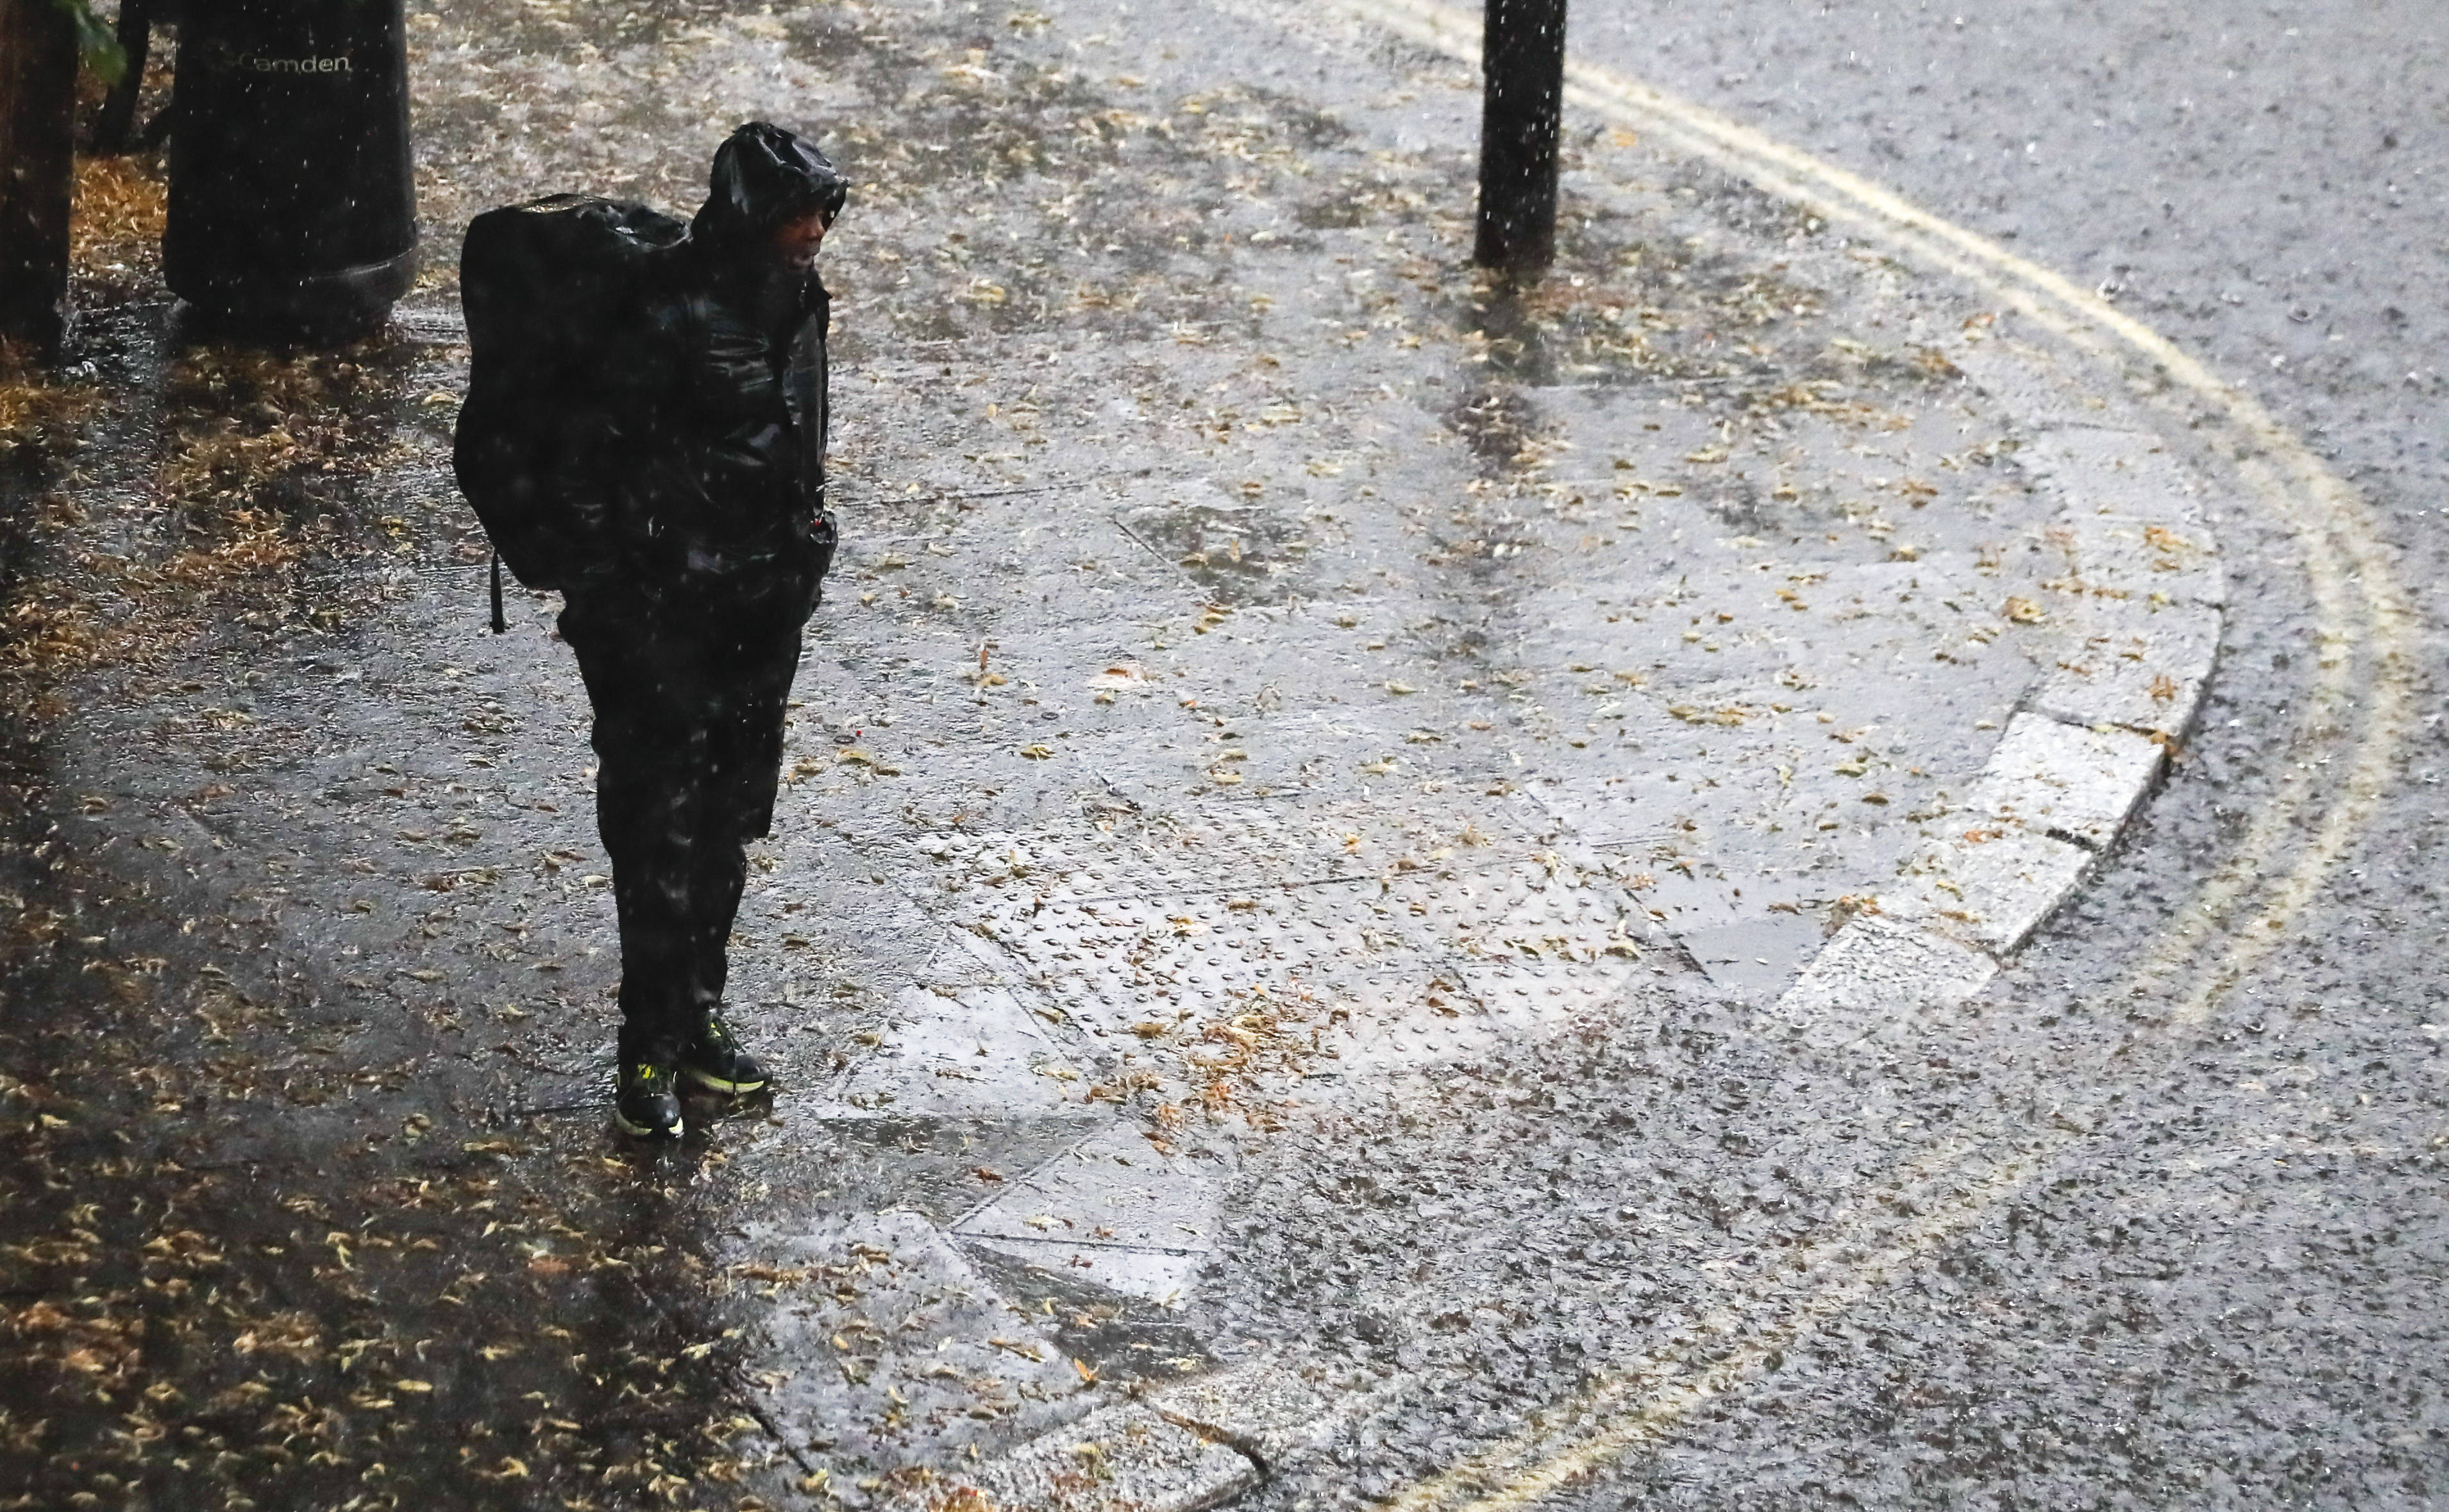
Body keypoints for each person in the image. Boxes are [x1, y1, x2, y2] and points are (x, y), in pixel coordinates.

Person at [558, 123, 847, 1139]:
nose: (816, 230)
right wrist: (616, 600)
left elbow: (798, 436)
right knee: (658, 830)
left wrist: (804, 549)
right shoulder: (669, 309)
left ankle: (699, 1022)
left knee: (727, 823)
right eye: (798, 213)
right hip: (665, 622)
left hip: (762, 616)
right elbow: (591, 460)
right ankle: (648, 1041)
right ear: (754, 218)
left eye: (824, 211)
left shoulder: (802, 302)